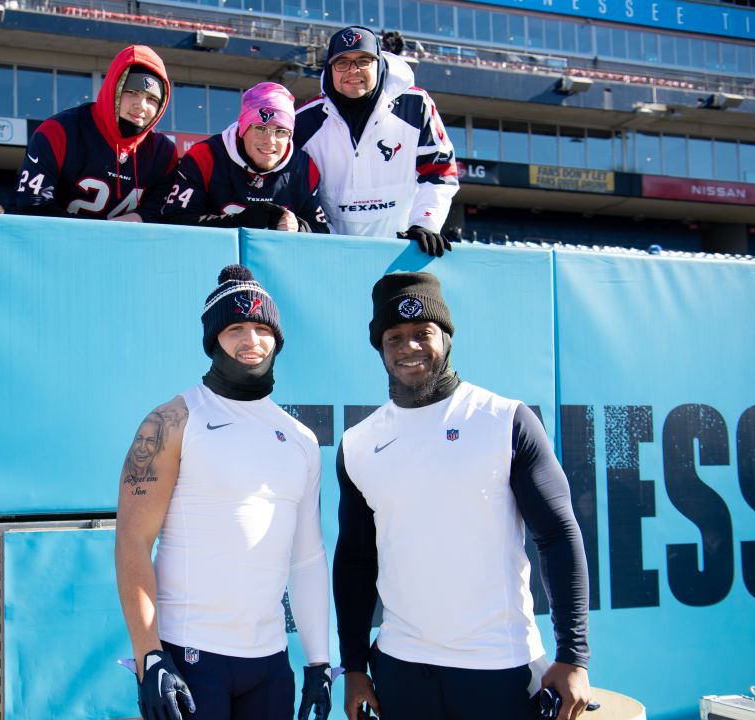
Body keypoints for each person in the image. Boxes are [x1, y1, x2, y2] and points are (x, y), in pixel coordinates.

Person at [333, 272, 592, 720]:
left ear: (446, 338)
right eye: (394, 337)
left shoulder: (505, 419)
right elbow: (356, 560)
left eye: (422, 334)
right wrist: (355, 666)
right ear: (379, 347)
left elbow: (557, 534)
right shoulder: (357, 443)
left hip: (499, 667)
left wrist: (573, 655)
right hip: (400, 670)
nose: (409, 347)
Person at [115, 264, 333, 720]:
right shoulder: (171, 420)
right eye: (236, 329)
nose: (251, 341)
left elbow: (307, 557)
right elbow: (133, 542)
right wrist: (149, 655)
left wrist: (318, 661)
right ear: (214, 339)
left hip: (270, 665)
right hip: (189, 658)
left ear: (277, 339)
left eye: (261, 329)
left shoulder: (299, 438)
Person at [293, 27, 459, 257]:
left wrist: (425, 222)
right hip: (332, 251)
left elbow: (441, 171)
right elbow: (294, 186)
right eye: (342, 63)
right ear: (329, 69)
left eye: (363, 60)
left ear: (379, 63)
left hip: (402, 250)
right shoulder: (304, 120)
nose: (353, 70)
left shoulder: (415, 105)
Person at [13, 45, 177, 222]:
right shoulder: (59, 131)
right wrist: (97, 234)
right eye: (131, 92)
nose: (141, 105)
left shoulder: (163, 153)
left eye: (152, 99)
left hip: (121, 247)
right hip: (51, 244)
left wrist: (140, 218)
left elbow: (161, 211)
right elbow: (32, 205)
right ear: (113, 88)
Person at [160, 82, 329, 233]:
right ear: (243, 128)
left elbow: (321, 231)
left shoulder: (304, 168)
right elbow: (175, 221)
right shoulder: (205, 157)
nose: (269, 141)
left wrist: (298, 227)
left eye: (280, 131)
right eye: (260, 128)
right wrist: (239, 223)